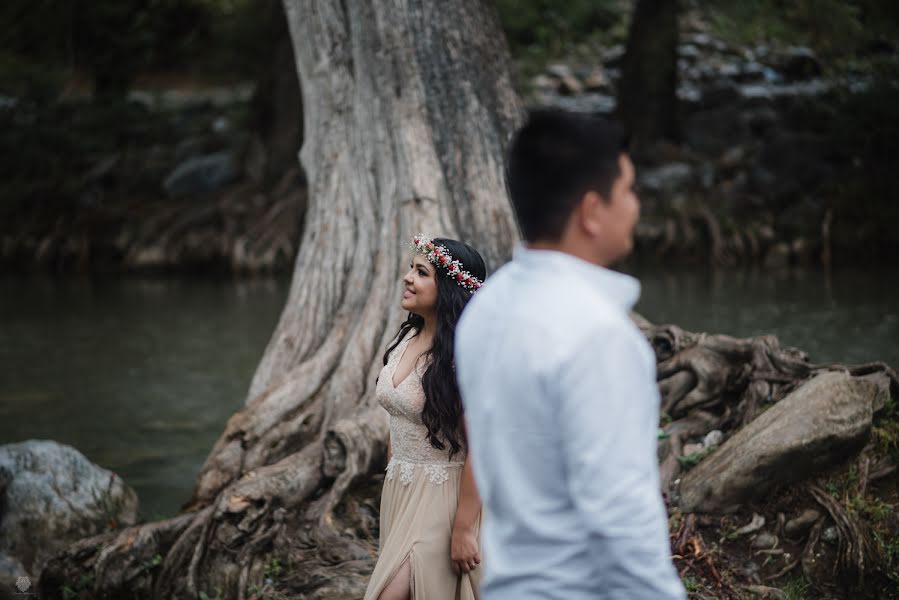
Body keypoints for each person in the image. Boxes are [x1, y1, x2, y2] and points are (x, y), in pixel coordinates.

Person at [454, 109, 686, 600]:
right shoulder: (597, 335)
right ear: (591, 211)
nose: (635, 207)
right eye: (628, 191)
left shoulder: (487, 309)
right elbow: (622, 521)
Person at [364, 235, 487, 600]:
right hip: (400, 490)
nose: (407, 278)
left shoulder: (461, 357)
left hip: (443, 498)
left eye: (421, 272)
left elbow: (482, 449)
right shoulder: (406, 338)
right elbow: (400, 418)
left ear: (447, 288)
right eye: (410, 268)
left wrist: (464, 529)